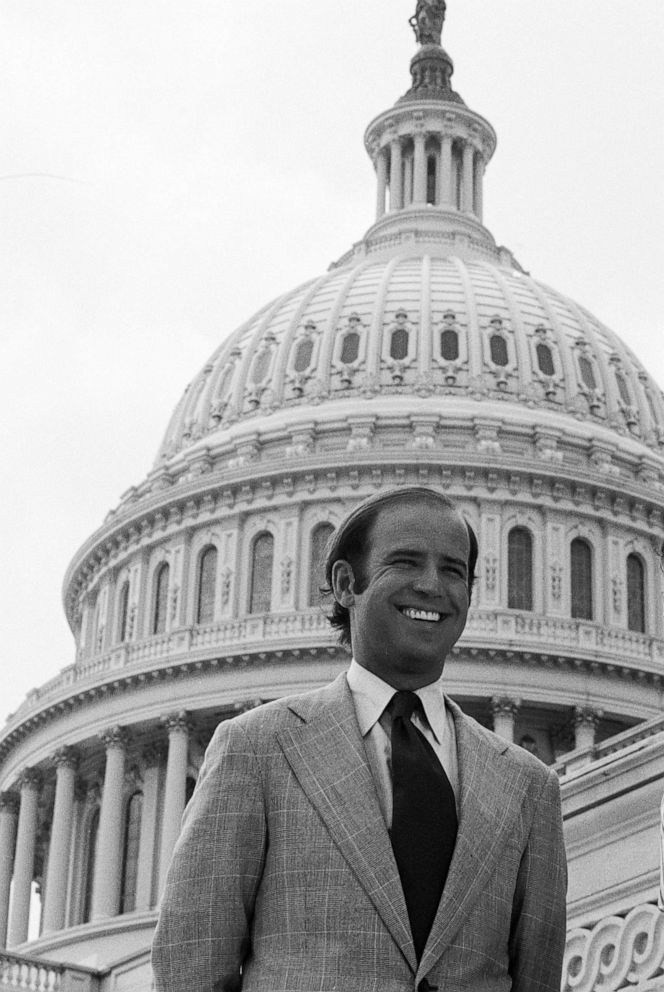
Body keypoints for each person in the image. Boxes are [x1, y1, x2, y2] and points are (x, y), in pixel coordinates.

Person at [152, 486, 567, 991]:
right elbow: (190, 969)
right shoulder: (257, 750)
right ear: (347, 583)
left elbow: (537, 979)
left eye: (453, 571)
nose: (433, 586)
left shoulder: (528, 786)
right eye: (406, 563)